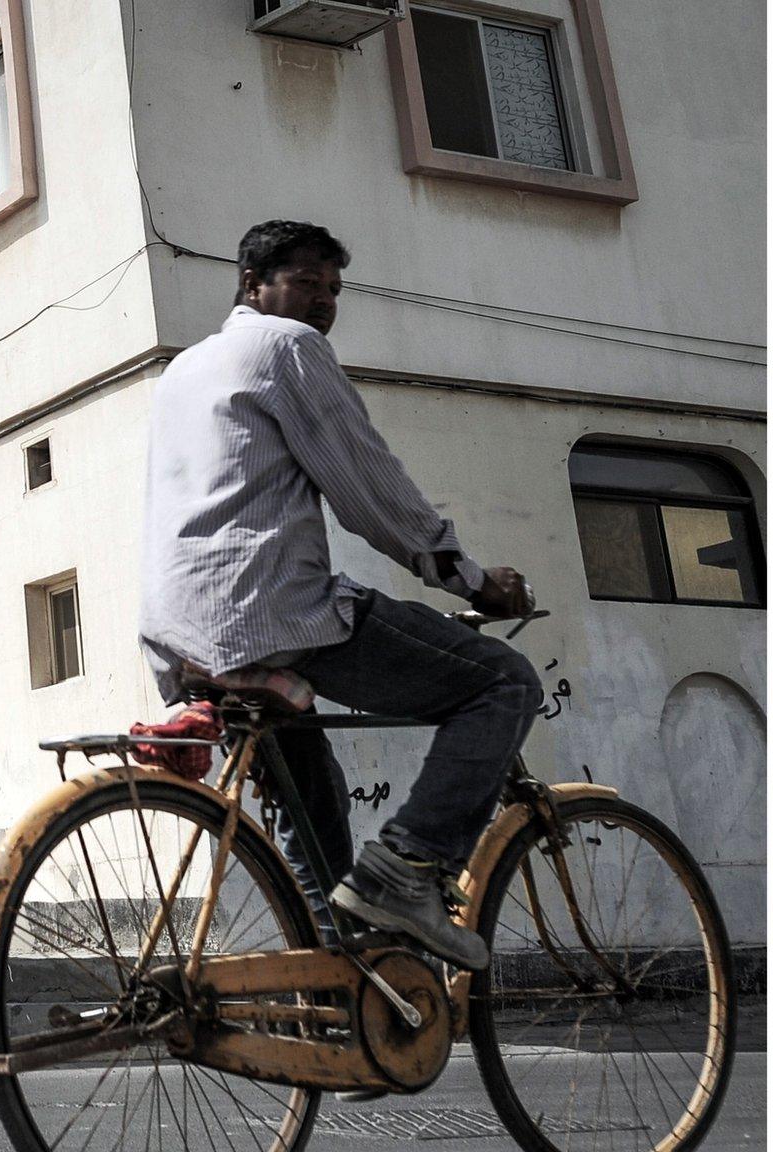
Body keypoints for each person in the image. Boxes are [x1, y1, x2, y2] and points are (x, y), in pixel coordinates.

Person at [138, 219, 543, 971]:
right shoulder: (287, 348)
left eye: (333, 289)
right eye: (304, 283)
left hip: (182, 630)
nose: (322, 302)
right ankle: (408, 869)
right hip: (269, 609)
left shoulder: (185, 367)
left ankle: (341, 996)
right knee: (503, 682)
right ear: (252, 286)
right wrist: (471, 579)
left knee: (311, 797)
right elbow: (370, 489)